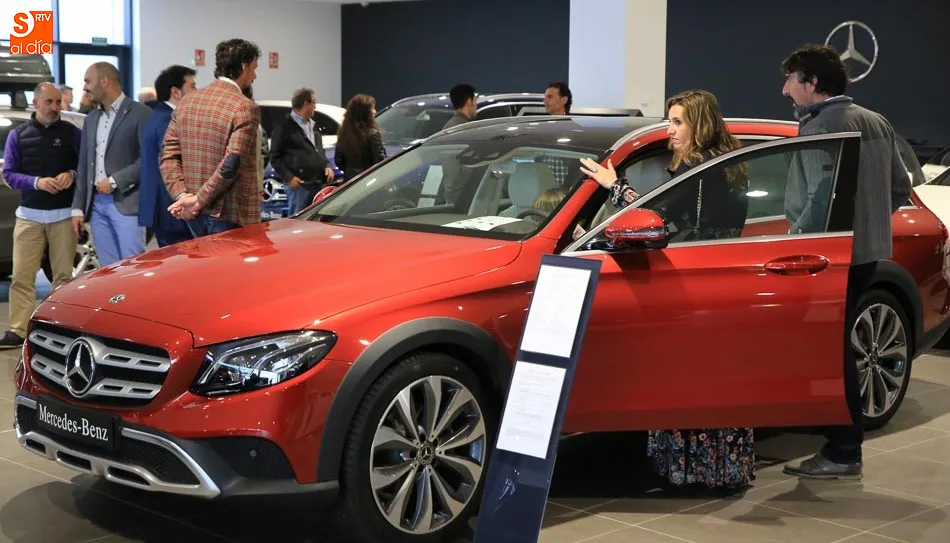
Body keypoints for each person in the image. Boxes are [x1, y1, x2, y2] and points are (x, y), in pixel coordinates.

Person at [580, 89, 754, 492]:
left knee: (686, 377)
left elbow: (657, 217)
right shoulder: (729, 166)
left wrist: (614, 185)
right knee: (714, 379)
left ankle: (691, 470)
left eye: (677, 122)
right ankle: (720, 468)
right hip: (719, 280)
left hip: (691, 284)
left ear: (700, 125)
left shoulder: (697, 169)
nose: (669, 130)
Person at [780, 44, 912, 480]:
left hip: (826, 259)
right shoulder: (876, 121)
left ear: (812, 84)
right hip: (868, 255)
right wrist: (870, 224)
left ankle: (841, 450)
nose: (786, 90)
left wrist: (798, 238)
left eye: (791, 81)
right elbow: (900, 186)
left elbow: (819, 198)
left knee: (831, 355)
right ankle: (839, 444)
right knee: (842, 351)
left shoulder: (820, 127)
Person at [0, 83, 81, 349]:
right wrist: (36, 182)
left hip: (62, 216)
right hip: (29, 217)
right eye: (49, 102)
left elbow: (85, 167)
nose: (55, 108)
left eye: (58, 102)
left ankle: (60, 328)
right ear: (36, 103)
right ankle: (17, 329)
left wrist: (72, 174)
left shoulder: (72, 133)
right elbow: (8, 173)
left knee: (63, 278)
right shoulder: (18, 135)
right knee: (22, 276)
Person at [161, 38, 263, 236]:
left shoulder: (186, 102)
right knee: (232, 268)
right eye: (254, 68)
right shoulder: (244, 106)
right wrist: (198, 200)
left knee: (203, 266)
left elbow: (168, 155)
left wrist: (183, 196)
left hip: (192, 214)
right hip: (231, 214)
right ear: (243, 66)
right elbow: (230, 164)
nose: (255, 76)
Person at [71, 62, 152, 266]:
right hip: (96, 207)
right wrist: (77, 209)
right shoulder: (90, 119)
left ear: (104, 81)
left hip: (127, 204)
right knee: (108, 272)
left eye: (88, 81)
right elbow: (84, 166)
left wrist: (115, 181)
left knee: (132, 268)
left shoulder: (141, 113)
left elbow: (149, 160)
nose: (85, 88)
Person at [138, 65, 197, 247]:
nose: (197, 91)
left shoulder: (161, 115)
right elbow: (171, 164)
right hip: (172, 207)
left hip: (167, 207)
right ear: (176, 92)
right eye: (192, 86)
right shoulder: (168, 120)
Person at [269, 87, 335, 215]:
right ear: (306, 103)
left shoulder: (314, 126)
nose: (315, 106)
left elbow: (319, 152)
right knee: (297, 222)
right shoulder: (284, 126)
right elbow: (275, 157)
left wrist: (327, 166)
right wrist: (289, 178)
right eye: (314, 103)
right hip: (300, 186)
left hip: (318, 183)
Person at [334, 94, 386, 182]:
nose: (375, 112)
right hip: (369, 181)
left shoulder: (344, 134)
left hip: (349, 181)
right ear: (365, 112)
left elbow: (339, 161)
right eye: (372, 108)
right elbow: (379, 161)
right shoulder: (373, 134)